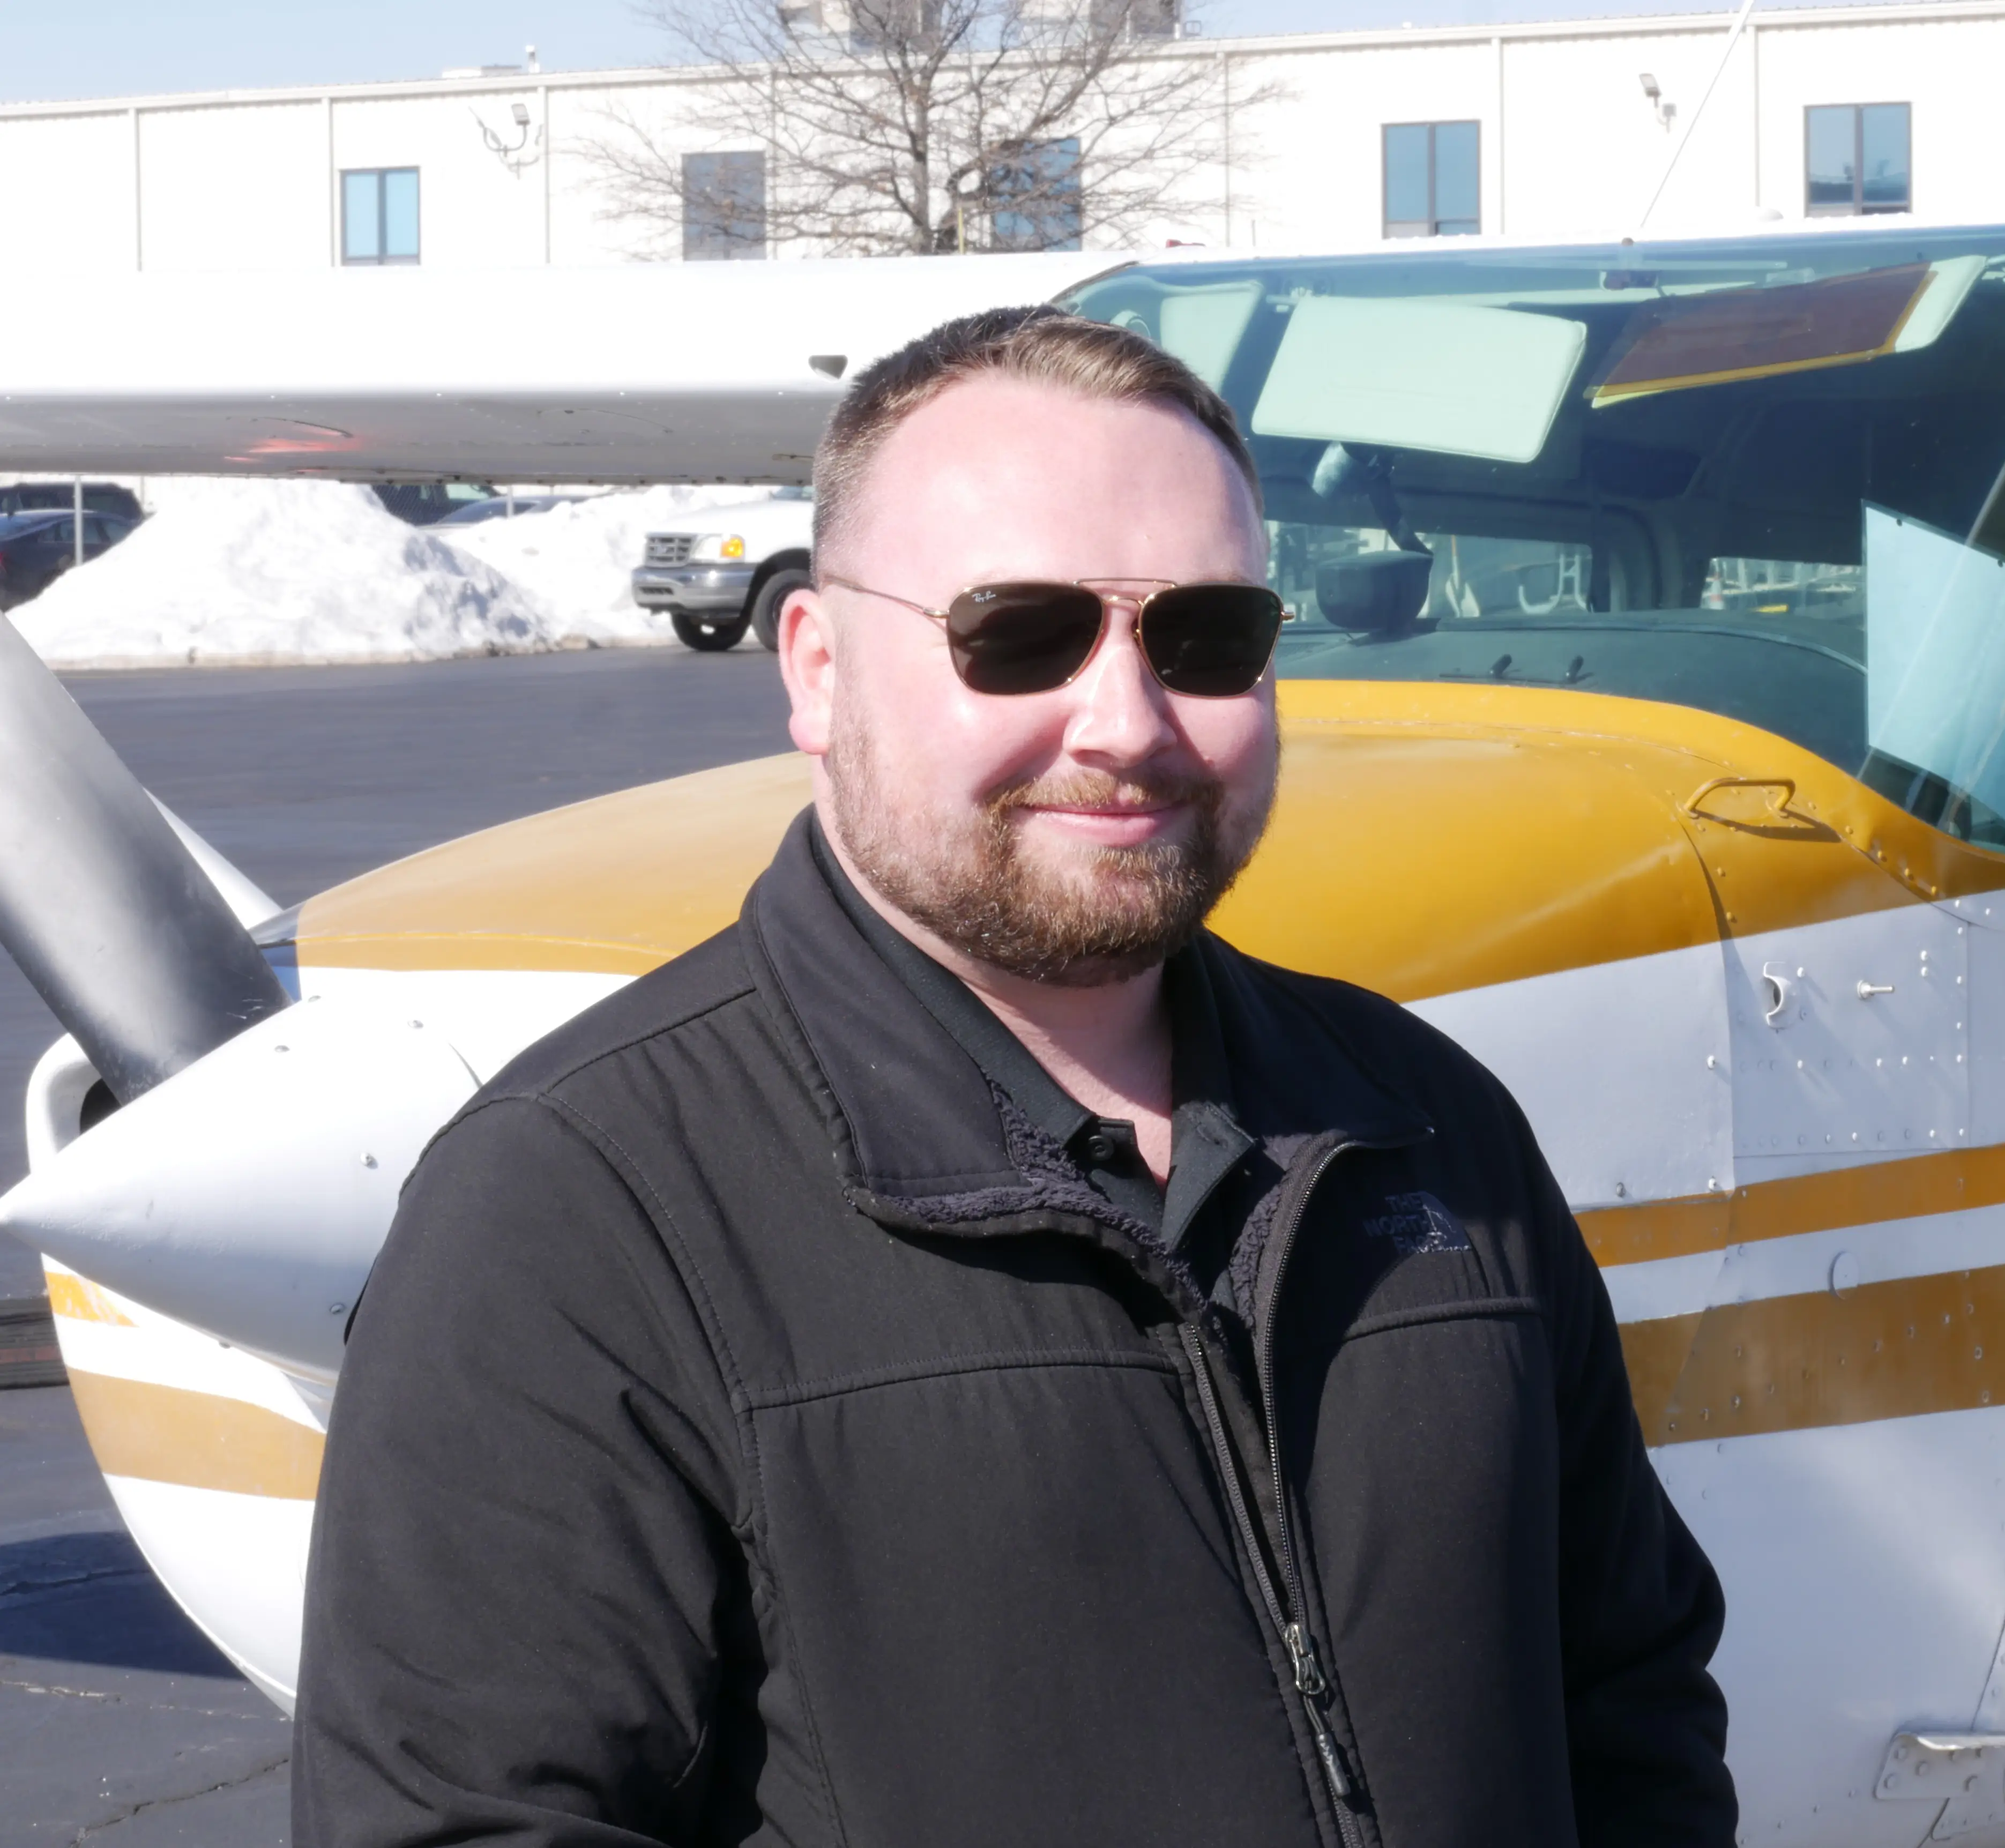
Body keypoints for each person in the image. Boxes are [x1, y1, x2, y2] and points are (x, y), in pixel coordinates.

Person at [295, 307, 1736, 1847]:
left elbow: (1630, 1706)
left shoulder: (1424, 1121)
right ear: (821, 665)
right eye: (1020, 633)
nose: (1125, 723)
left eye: (1204, 637)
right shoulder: (576, 1201)